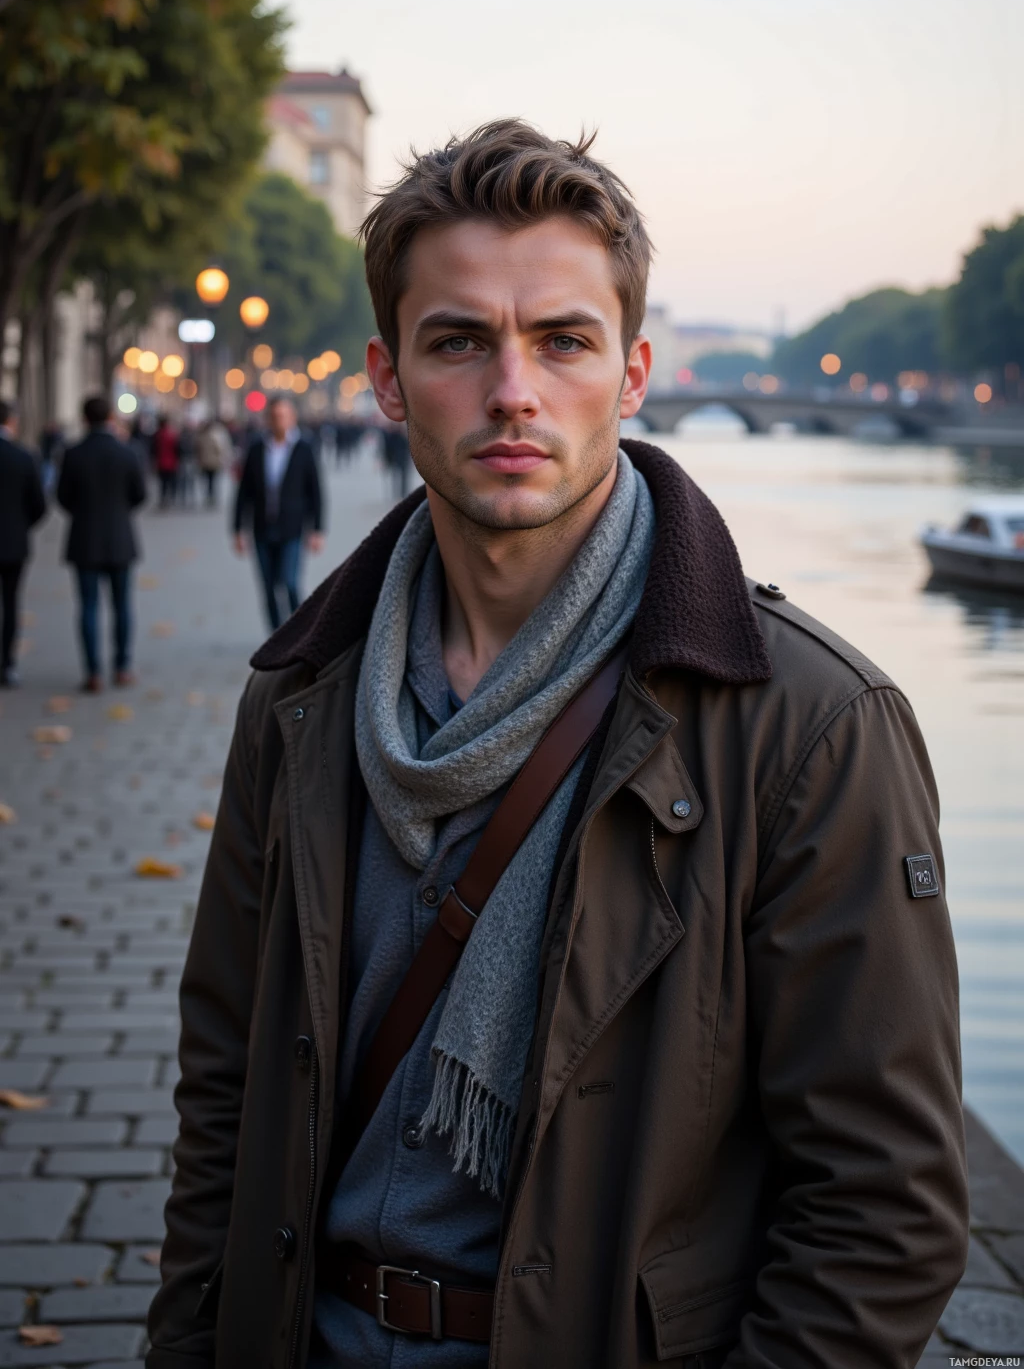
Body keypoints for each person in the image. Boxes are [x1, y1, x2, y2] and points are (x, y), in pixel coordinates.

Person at [148, 123, 968, 1369]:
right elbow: (227, 1086)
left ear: (635, 373)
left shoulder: (809, 726)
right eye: (460, 341)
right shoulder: (300, 696)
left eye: (564, 341)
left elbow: (881, 1207)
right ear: (386, 376)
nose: (513, 391)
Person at [57, 395, 146, 691]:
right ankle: (121, 666)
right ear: (110, 416)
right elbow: (140, 494)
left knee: (88, 606)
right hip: (120, 538)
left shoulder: (72, 453)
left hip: (84, 539)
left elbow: (62, 496)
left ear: (84, 419)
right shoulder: (126, 452)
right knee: (122, 606)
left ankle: (92, 671)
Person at [233, 396, 324, 630]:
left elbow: (316, 491)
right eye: (274, 416)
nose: (279, 421)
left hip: (292, 528)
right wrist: (237, 530)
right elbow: (243, 492)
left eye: (283, 416)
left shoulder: (304, 449)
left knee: (290, 583)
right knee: (268, 587)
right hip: (262, 528)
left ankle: (299, 631)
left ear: (292, 417)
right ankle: (276, 636)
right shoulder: (256, 449)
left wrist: (317, 529)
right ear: (267, 419)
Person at [0, 400, 46, 687]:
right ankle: (7, 664)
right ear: (12, 421)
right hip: (13, 543)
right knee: (10, 603)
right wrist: (20, 527)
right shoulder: (23, 456)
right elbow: (39, 505)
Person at [196, 416, 234, 509]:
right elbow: (219, 449)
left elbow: (198, 450)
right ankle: (212, 496)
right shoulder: (214, 437)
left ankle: (210, 496)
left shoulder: (202, 437)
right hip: (213, 462)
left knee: (208, 481)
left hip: (206, 462)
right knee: (212, 481)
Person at [152, 415, 179, 508]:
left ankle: (163, 499)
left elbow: (153, 450)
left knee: (163, 483)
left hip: (161, 462)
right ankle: (170, 499)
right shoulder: (172, 434)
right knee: (170, 482)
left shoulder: (157, 435)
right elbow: (177, 449)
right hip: (171, 462)